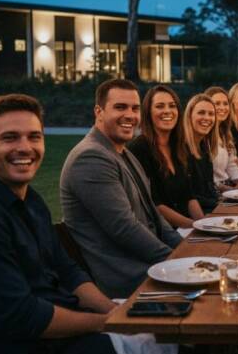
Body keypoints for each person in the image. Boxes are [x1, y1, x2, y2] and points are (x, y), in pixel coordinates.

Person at [0, 94, 120, 353]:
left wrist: (115, 312)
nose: (25, 147)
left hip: (73, 331)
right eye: (10, 137)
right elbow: (24, 317)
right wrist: (108, 323)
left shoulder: (30, 201)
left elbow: (67, 270)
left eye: (34, 137)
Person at [60, 79, 182, 298]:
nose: (130, 115)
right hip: (129, 278)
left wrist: (185, 250)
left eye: (135, 108)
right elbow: (124, 228)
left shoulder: (123, 152)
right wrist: (176, 262)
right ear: (99, 111)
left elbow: (154, 214)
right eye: (120, 107)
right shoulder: (90, 157)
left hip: (151, 265)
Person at [127, 85, 203, 229]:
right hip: (161, 233)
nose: (167, 111)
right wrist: (195, 227)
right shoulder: (138, 149)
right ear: (148, 112)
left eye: (172, 106)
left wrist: (205, 224)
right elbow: (154, 204)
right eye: (160, 106)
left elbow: (189, 196)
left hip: (187, 228)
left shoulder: (179, 146)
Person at [182, 93, 222, 214]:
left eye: (211, 114)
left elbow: (208, 189)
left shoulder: (204, 146)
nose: (207, 118)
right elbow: (189, 196)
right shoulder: (181, 148)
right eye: (201, 113)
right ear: (189, 116)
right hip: (191, 218)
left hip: (211, 208)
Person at [206, 86, 238, 185]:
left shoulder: (224, 132)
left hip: (229, 185)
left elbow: (231, 165)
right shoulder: (204, 135)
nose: (222, 108)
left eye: (225, 104)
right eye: (217, 104)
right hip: (217, 191)